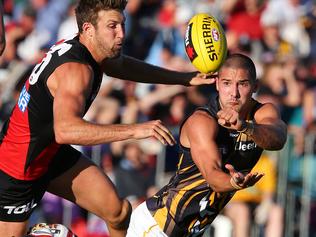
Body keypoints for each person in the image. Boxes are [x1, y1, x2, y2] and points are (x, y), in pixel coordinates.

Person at [0, 0, 214, 237]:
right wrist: (134, 130)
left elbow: (122, 67)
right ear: (89, 29)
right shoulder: (75, 70)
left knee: (118, 212)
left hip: (50, 154)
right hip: (16, 168)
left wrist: (183, 79)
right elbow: (66, 131)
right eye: (112, 26)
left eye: (122, 24)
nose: (121, 33)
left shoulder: (86, 48)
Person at [127, 53, 288, 237]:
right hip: (157, 227)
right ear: (218, 84)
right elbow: (213, 178)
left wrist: (246, 127)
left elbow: (278, 139)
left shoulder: (262, 113)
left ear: (255, 87)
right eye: (227, 83)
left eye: (242, 84)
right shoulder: (202, 121)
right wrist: (233, 183)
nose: (233, 93)